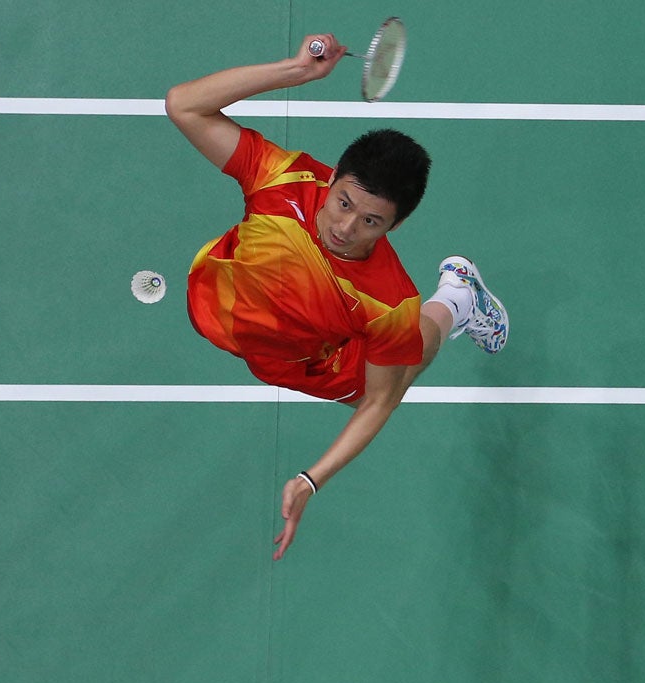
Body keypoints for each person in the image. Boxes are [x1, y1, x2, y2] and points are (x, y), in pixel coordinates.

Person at [165, 33, 508, 560]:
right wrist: (294, 71)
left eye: (371, 221)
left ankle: (457, 299)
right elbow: (184, 105)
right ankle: (459, 296)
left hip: (308, 359)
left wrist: (312, 478)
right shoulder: (282, 179)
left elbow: (380, 401)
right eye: (342, 201)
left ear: (395, 225)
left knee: (398, 368)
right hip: (215, 294)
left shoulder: (389, 302)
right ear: (332, 181)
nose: (346, 227)